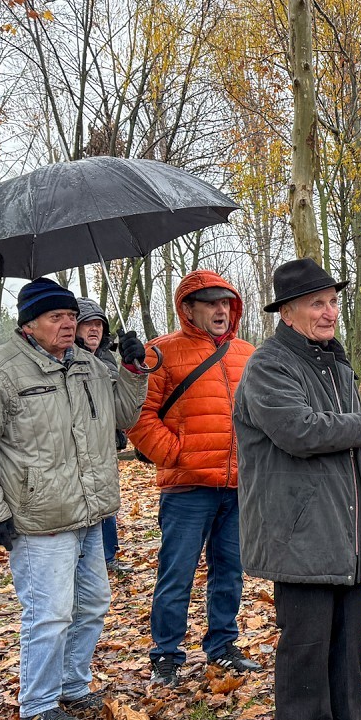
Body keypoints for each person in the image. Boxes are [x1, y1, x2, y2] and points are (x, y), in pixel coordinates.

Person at [0, 278, 147, 720]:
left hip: (90, 511)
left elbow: (123, 417)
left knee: (92, 604)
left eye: (71, 316)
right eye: (56, 317)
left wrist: (133, 370)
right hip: (39, 518)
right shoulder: (0, 370)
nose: (68, 324)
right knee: (50, 612)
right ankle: (37, 706)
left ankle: (72, 686)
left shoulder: (87, 364)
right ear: (29, 324)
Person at [233, 259, 361, 720]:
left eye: (332, 302)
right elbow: (300, 431)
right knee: (306, 641)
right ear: (287, 313)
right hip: (299, 528)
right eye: (316, 304)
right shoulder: (269, 366)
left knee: (348, 634)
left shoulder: (334, 363)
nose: (329, 312)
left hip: (345, 525)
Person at [128, 271, 260, 688]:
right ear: (187, 309)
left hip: (238, 486)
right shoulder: (159, 353)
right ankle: (165, 655)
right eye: (211, 304)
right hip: (186, 488)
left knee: (230, 571)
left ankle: (222, 645)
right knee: (177, 572)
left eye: (226, 303)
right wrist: (175, 454)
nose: (221, 311)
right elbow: (138, 416)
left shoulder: (248, 354)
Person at [75, 297, 129, 576]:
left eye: (99, 324)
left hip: (104, 446)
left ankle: (108, 556)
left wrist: (132, 369)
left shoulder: (106, 359)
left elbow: (121, 405)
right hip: (77, 448)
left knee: (106, 503)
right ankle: (85, 559)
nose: (94, 329)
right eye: (87, 324)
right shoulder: (67, 360)